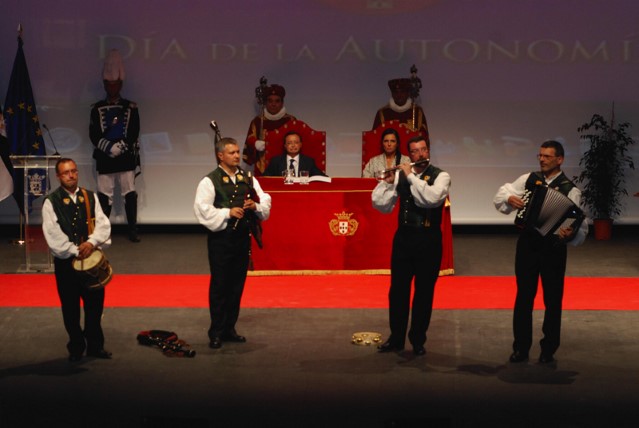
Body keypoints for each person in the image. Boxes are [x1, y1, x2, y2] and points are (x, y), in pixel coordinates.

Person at [494, 140, 588, 364]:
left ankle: (548, 349)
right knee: (524, 296)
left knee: (553, 300)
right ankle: (521, 347)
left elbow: (579, 225)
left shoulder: (570, 190)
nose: (542, 159)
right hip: (528, 245)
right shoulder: (529, 179)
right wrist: (509, 198)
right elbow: (501, 193)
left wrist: (570, 234)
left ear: (560, 160)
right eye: (540, 155)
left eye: (547, 156)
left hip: (553, 250)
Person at [372, 135, 450, 355]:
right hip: (404, 239)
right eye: (415, 151)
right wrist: (386, 184)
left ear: (428, 151)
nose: (420, 154)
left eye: (423, 150)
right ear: (410, 155)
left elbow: (430, 199)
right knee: (397, 291)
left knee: (424, 292)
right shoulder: (401, 176)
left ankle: (417, 340)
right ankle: (396, 338)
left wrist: (409, 175)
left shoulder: (441, 176)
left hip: (429, 240)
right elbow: (382, 207)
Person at [194, 137, 272, 349]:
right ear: (221, 155)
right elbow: (202, 209)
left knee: (237, 286)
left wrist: (255, 206)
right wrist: (227, 212)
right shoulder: (210, 181)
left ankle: (230, 328)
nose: (237, 156)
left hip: (242, 239)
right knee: (221, 285)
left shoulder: (248, 177)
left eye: (238, 152)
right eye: (232, 152)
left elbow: (265, 199)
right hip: (221, 240)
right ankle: (216, 331)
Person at [42, 158, 112, 362]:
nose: (71, 175)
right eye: (66, 173)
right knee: (70, 308)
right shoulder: (51, 201)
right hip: (66, 264)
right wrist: (74, 250)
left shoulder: (90, 197)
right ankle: (76, 346)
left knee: (95, 307)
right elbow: (52, 233)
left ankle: (95, 346)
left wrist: (91, 243)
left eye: (73, 171)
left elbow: (103, 224)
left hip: (91, 258)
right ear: (58, 176)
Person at [89, 49, 142, 242]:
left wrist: (122, 146)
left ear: (120, 84)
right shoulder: (96, 109)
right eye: (109, 84)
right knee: (104, 195)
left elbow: (134, 131)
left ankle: (133, 230)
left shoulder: (131, 107)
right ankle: (103, 232)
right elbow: (93, 134)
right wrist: (108, 147)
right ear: (104, 85)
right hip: (105, 157)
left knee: (130, 193)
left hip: (126, 157)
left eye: (115, 84)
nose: (112, 88)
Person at [243, 84, 296, 175]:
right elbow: (250, 139)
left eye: (277, 101)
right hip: (263, 167)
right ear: (265, 103)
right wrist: (255, 143)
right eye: (270, 101)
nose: (273, 104)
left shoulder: (291, 121)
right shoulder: (258, 121)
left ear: (282, 103)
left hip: (285, 166)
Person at [262, 131, 327, 177]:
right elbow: (265, 178)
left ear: (300, 145)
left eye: (296, 142)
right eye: (289, 143)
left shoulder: (309, 161)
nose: (293, 145)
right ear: (285, 145)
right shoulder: (276, 161)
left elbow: (321, 176)